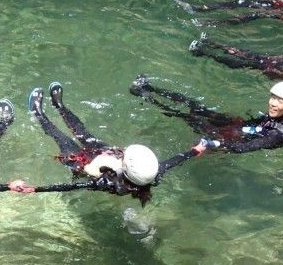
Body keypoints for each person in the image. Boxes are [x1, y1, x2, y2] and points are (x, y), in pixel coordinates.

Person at [25, 83, 200, 204]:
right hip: (106, 156)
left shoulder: (106, 182)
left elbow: (70, 186)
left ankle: (38, 113)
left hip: (85, 166)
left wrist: (36, 189)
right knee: (83, 133)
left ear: (125, 168)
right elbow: (174, 161)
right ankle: (59, 105)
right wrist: (195, 150)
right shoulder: (151, 174)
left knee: (63, 140)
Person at [130, 76, 283, 153]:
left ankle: (145, 97)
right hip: (243, 127)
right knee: (197, 107)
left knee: (187, 117)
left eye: (280, 101)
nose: (273, 103)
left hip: (236, 138)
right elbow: (259, 124)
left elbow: (243, 148)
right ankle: (149, 87)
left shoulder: (280, 133)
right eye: (273, 97)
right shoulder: (280, 116)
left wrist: (214, 144)